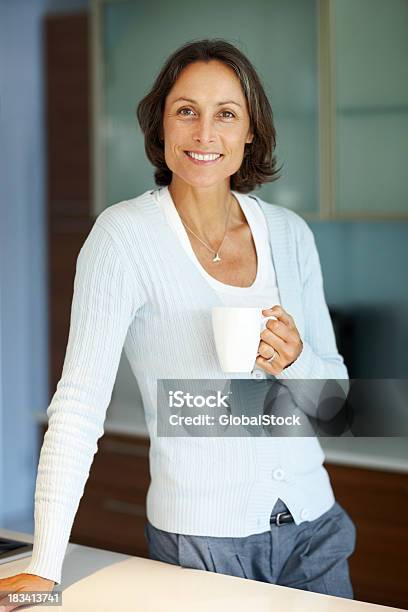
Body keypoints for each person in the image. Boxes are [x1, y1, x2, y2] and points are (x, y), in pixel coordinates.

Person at [0, 39, 356, 609]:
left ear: (251, 134)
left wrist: (297, 362)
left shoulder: (290, 235)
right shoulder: (123, 238)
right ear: (161, 126)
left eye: (226, 114)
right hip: (202, 542)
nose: (204, 134)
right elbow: (78, 406)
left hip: (316, 533)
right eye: (186, 111)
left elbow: (335, 408)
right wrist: (44, 566)